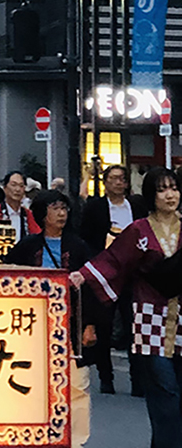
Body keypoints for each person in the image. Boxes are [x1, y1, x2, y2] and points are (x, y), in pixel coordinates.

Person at [72, 166, 182, 448]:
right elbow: (113, 259)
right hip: (150, 318)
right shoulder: (139, 231)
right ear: (151, 196)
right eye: (162, 189)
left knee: (178, 392)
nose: (170, 194)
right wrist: (84, 274)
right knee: (165, 391)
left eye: (174, 187)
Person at [5, 190, 97, 448]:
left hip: (70, 322)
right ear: (42, 213)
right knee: (34, 382)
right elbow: (10, 279)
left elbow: (91, 289)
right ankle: (39, 437)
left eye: (64, 208)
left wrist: (90, 324)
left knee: (77, 383)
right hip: (33, 325)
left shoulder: (79, 246)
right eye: (55, 208)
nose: (61, 213)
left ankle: (76, 443)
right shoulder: (27, 246)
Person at [79, 163, 148, 396]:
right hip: (105, 272)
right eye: (114, 178)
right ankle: (106, 377)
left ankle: (138, 380)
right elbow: (85, 237)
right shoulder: (95, 207)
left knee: (134, 326)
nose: (119, 182)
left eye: (122, 178)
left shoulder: (137, 206)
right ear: (105, 182)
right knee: (104, 326)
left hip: (133, 273)